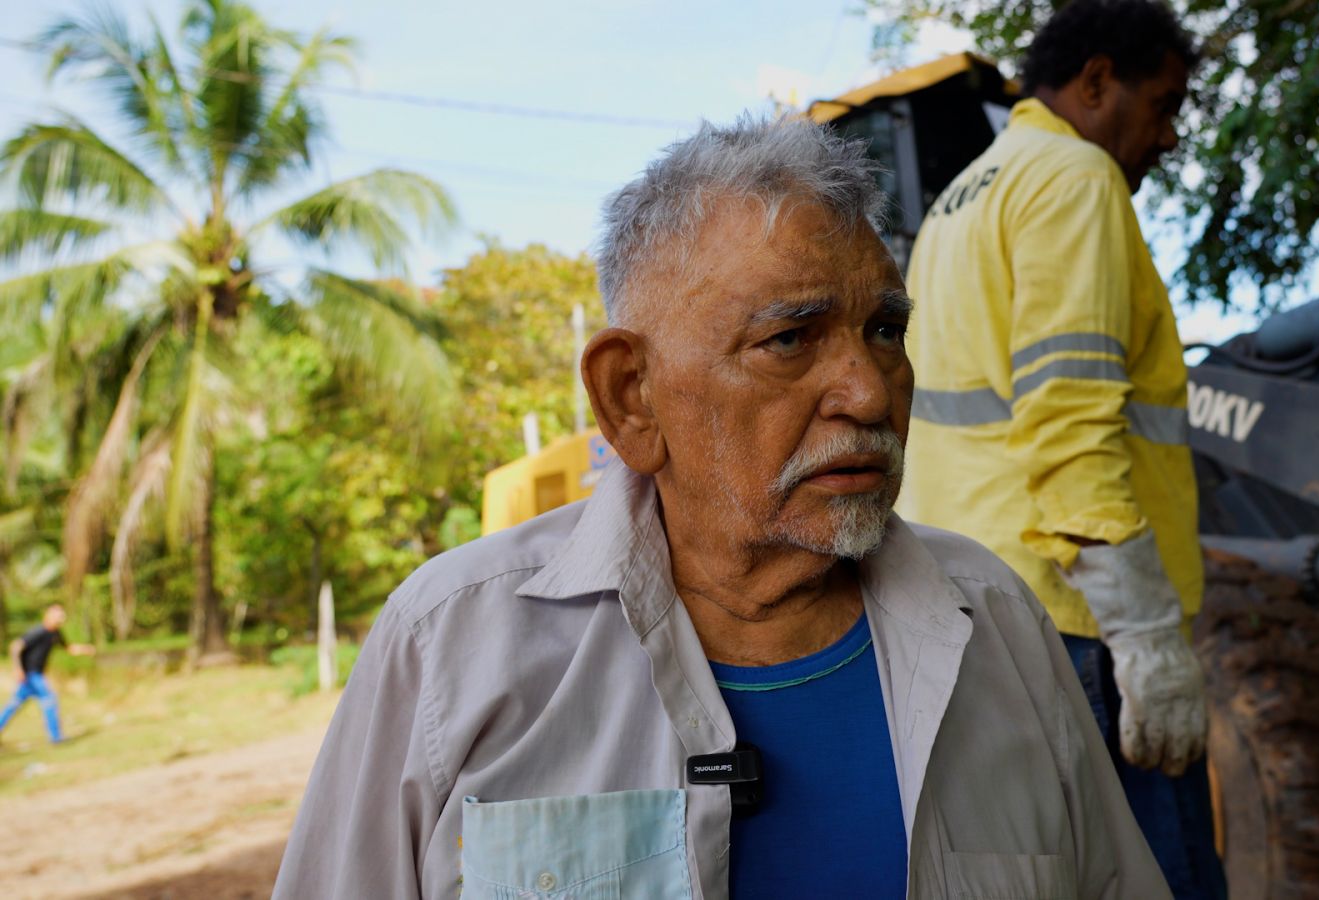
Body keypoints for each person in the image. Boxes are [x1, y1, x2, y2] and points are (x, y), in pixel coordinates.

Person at [274, 115, 1168, 899]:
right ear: (632, 397)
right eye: (789, 338)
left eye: (885, 330)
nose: (868, 391)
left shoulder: (997, 621)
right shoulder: (450, 645)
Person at [896, 1, 1225, 897]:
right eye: (1163, 105)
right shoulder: (1076, 179)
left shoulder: (959, 202)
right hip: (1081, 619)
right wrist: (1144, 632)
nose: (1168, 137)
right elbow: (1072, 422)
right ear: (1096, 81)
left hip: (976, 606)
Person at [0, 604, 96, 745]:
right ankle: (56, 737)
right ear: (48, 616)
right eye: (58, 616)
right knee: (49, 698)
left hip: (33, 676)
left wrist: (85, 649)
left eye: (62, 616)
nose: (61, 619)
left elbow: (69, 648)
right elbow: (16, 646)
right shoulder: (38, 631)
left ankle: (55, 736)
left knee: (14, 704)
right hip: (31, 674)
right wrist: (18, 669)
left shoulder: (55, 633)